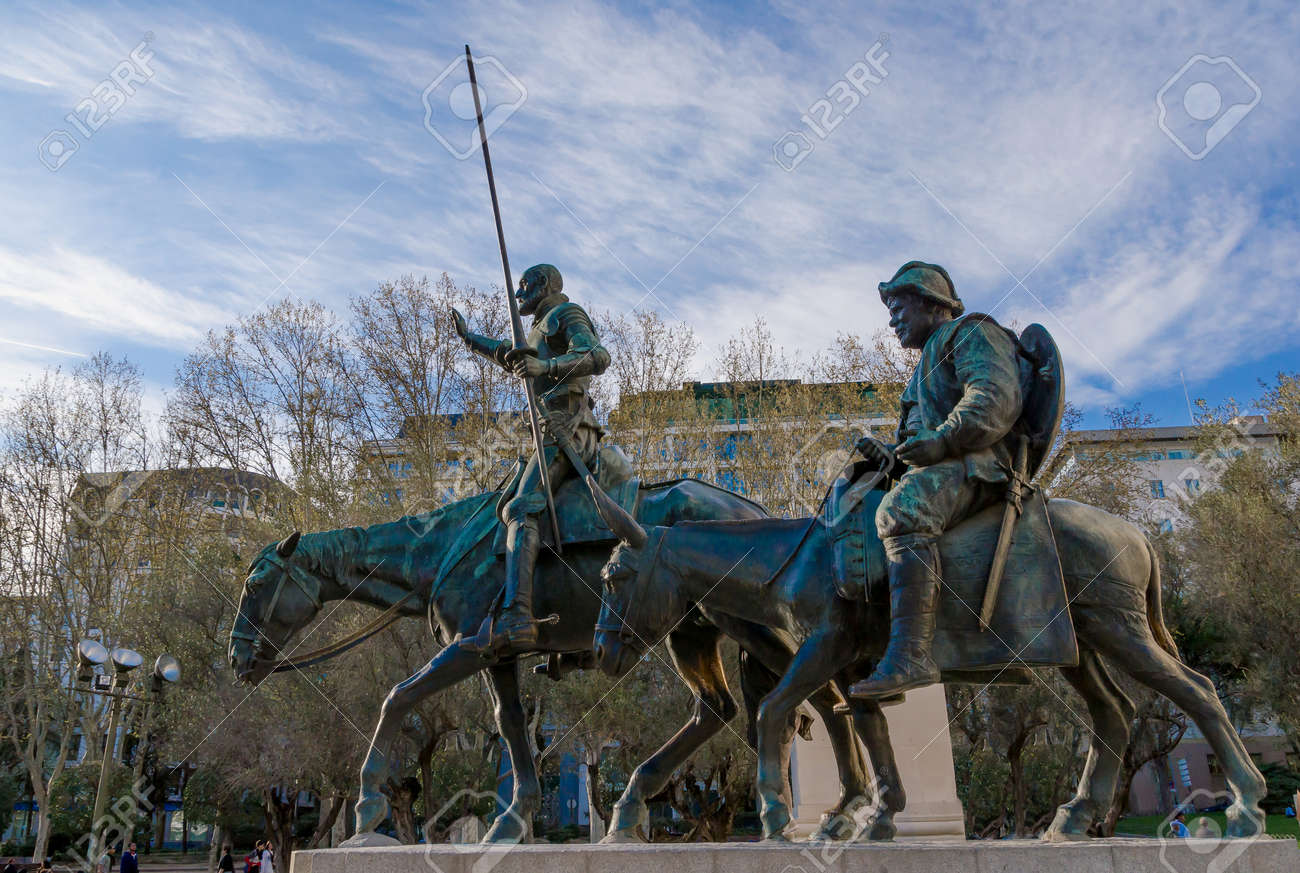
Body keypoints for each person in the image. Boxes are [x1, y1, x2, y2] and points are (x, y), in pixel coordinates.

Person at [849, 261, 1024, 700]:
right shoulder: (922, 366)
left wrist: (943, 441)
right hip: (943, 466)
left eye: (898, 308)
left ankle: (912, 656)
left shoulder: (969, 333)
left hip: (978, 467)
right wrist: (890, 457)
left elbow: (993, 397)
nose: (892, 321)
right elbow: (917, 444)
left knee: (900, 510)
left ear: (930, 304)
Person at [452, 263, 611, 651]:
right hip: (545, 432)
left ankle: (519, 617)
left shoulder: (565, 314)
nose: (518, 293)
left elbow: (597, 355)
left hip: (568, 427)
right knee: (504, 506)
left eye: (524, 286)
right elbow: (510, 354)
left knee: (523, 507)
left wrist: (546, 366)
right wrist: (470, 338)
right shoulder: (538, 328)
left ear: (544, 285)